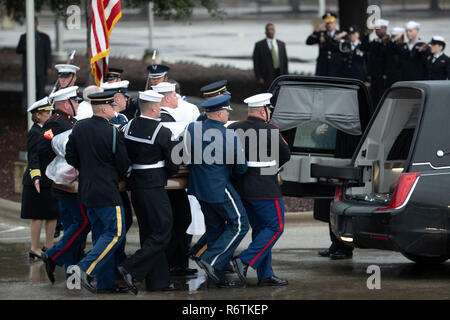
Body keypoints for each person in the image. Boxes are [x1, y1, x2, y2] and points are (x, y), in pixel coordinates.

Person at [65, 91, 130, 294]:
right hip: (107, 192)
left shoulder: (79, 127)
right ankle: (84, 269)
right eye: (112, 106)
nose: (114, 108)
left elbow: (70, 156)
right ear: (104, 108)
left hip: (86, 190)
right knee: (115, 233)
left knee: (102, 235)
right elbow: (123, 164)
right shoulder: (112, 132)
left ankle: (105, 283)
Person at [117, 90, 179, 292]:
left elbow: (120, 154)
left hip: (135, 185)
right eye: (159, 105)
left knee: (149, 232)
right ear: (153, 108)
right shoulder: (162, 131)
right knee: (163, 230)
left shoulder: (126, 127)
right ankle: (129, 267)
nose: (160, 108)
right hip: (154, 185)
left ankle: (157, 281)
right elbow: (173, 164)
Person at [184, 95, 249, 288]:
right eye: (227, 111)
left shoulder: (191, 128)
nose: (228, 114)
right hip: (218, 186)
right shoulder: (228, 135)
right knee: (240, 225)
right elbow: (240, 167)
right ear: (220, 113)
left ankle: (216, 275)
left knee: (215, 229)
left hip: (198, 186)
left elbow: (181, 151)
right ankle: (210, 259)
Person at [228, 93, 291, 286]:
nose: (270, 112)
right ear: (263, 110)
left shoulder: (234, 128)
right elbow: (285, 155)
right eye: (268, 108)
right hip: (265, 188)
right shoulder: (270, 129)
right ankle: (244, 260)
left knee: (261, 230)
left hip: (242, 188)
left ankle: (265, 275)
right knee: (275, 227)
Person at [39, 87, 91, 284]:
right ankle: (53, 255)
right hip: (65, 183)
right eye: (75, 101)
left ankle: (73, 275)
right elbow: (44, 151)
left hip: (66, 183)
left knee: (74, 225)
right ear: (63, 103)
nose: (78, 104)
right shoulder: (56, 123)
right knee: (83, 223)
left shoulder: (67, 122)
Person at [151, 81, 199, 276]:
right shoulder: (163, 119)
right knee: (178, 221)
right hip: (167, 178)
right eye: (173, 95)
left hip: (168, 178)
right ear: (164, 99)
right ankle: (169, 263)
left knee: (180, 220)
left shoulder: (167, 116)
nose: (177, 97)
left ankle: (177, 262)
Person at [21, 97, 58, 260]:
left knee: (52, 214)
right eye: (47, 112)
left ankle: (48, 245)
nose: (50, 114)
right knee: (36, 215)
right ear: (38, 115)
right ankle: (34, 247)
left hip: (48, 178)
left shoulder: (45, 129)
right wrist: (36, 176)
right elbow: (33, 156)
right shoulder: (35, 132)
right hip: (36, 180)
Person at [16, 16, 52, 114]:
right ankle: (25, 112)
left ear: (37, 23)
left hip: (41, 69)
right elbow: (18, 49)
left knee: (41, 90)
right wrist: (28, 45)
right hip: (27, 70)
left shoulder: (44, 37)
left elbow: (48, 53)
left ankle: (40, 111)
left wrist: (49, 66)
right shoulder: (24, 37)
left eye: (34, 22)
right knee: (27, 91)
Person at [306, 12, 346, 77]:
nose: (329, 25)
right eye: (327, 23)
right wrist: (316, 31)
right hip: (323, 66)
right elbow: (309, 42)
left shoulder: (341, 34)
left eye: (331, 23)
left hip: (336, 66)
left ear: (335, 24)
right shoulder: (321, 34)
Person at [253, 23, 288, 92]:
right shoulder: (259, 45)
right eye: (268, 30)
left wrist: (286, 76)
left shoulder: (281, 44)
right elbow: (256, 62)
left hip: (279, 75)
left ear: (274, 31)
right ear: (265, 32)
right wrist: (259, 77)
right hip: (266, 77)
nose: (270, 31)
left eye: (272, 29)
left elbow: (285, 61)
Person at [365, 19, 390, 106]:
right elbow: (364, 48)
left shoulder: (389, 42)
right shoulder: (375, 43)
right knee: (374, 99)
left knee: (384, 99)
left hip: (385, 77)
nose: (376, 31)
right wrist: (366, 34)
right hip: (375, 76)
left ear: (385, 28)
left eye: (378, 28)